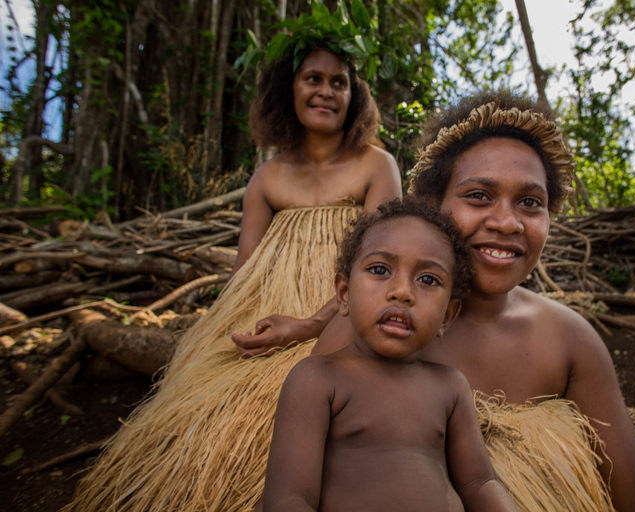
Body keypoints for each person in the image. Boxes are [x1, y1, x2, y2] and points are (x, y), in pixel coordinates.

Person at [241, 90, 635, 512]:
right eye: (479, 195)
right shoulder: (362, 337)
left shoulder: (569, 341)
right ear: (433, 204)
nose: (506, 221)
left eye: (530, 203)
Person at [65, 45, 401, 512]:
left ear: (355, 94)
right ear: (290, 89)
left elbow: (381, 267)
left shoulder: (376, 165)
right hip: (267, 308)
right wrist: (231, 331)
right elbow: (245, 271)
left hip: (346, 315)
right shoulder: (267, 177)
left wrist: (308, 325)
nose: (326, 91)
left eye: (339, 82)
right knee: (207, 411)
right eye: (313, 79)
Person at [263, 198, 517, 512]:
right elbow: (288, 498)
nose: (402, 292)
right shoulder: (317, 379)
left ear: (448, 315)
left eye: (428, 279)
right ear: (344, 294)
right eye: (380, 269)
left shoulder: (450, 387)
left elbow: (479, 483)